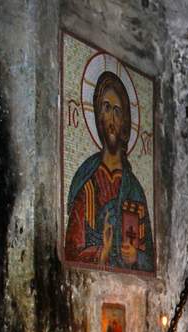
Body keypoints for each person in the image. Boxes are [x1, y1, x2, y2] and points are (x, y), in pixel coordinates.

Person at [65, 71, 155, 271]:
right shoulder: (86, 183)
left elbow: (150, 259)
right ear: (98, 115)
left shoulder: (135, 190)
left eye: (117, 110)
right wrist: (103, 251)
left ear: (124, 122)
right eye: (106, 108)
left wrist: (136, 257)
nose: (112, 118)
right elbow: (71, 251)